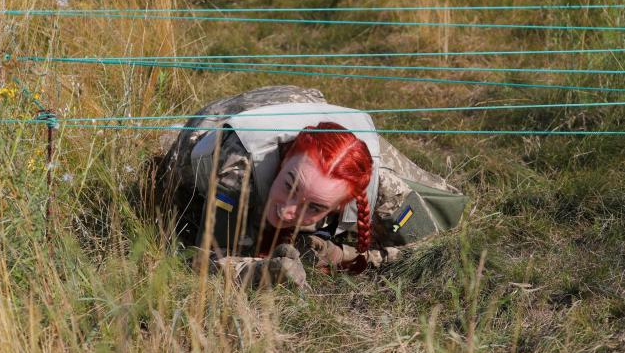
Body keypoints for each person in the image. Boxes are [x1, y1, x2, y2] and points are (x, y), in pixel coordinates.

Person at [143, 86, 468, 288]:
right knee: (168, 176)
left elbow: (430, 246)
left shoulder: (377, 182)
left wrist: (345, 255)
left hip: (311, 105)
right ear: (283, 161)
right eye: (289, 185)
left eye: (314, 207)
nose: (287, 209)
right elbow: (201, 258)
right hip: (220, 121)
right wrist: (262, 272)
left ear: (342, 205)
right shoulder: (239, 164)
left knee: (446, 202)